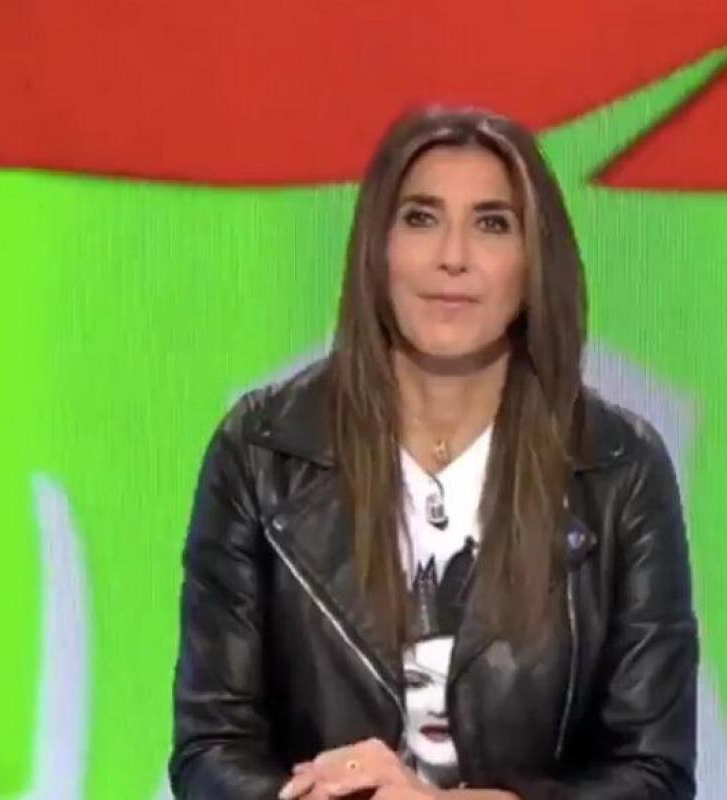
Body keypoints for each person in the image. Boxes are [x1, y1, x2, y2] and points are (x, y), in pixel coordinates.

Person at [168, 106, 698, 799]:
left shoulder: (620, 469)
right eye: (421, 218)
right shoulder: (262, 454)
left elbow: (654, 774)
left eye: (492, 224)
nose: (453, 256)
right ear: (378, 247)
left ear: (535, 262)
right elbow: (211, 752)